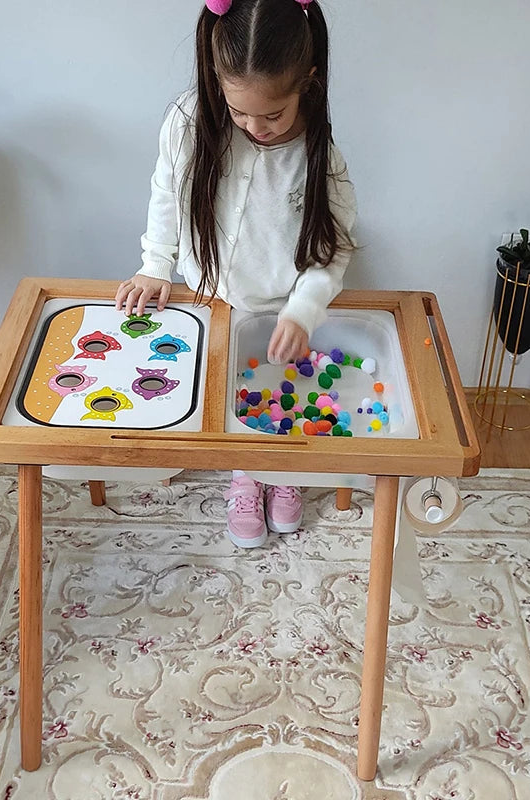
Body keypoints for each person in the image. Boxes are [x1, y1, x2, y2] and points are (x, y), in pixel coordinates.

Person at [115, 0, 356, 548]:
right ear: (216, 81)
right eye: (239, 110)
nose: (255, 127)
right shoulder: (187, 122)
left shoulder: (320, 156)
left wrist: (303, 309)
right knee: (232, 396)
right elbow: (165, 194)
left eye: (273, 114)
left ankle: (284, 471)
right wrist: (156, 264)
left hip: (283, 301)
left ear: (307, 84)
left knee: (281, 385)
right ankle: (246, 474)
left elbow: (334, 251)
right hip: (213, 297)